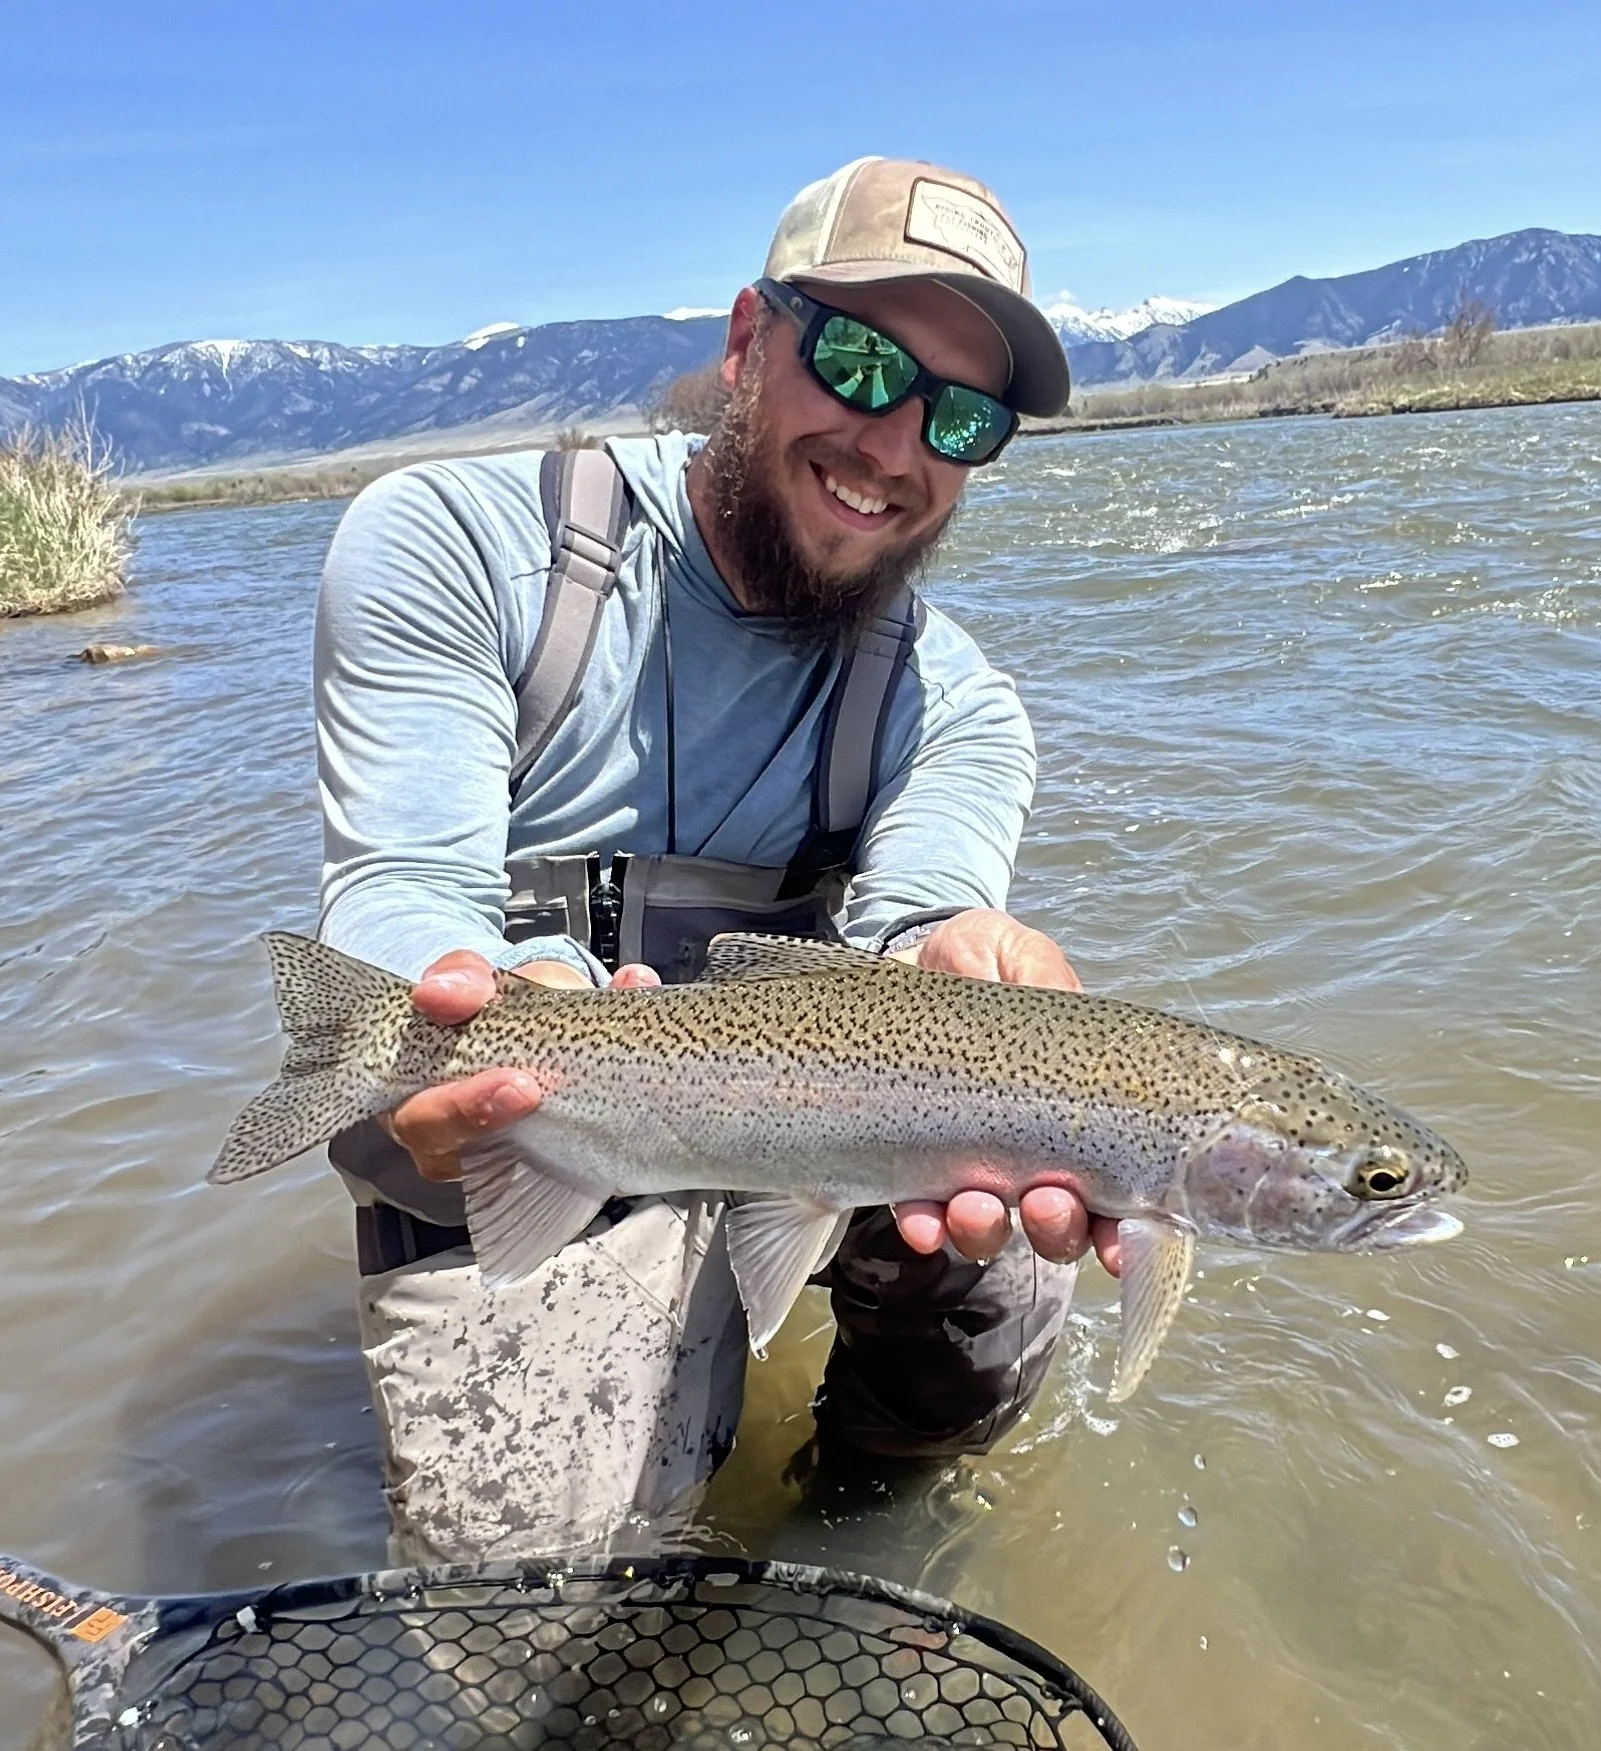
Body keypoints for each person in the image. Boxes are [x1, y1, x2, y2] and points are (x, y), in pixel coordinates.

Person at [314, 156, 1120, 1564]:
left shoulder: (963, 704)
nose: (895, 444)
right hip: (535, 1116)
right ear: (750, 342)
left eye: (964, 414)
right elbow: (404, 890)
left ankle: (858, 1530)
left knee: (1009, 1277)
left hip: (801, 1117)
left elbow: (928, 914)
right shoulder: (455, 542)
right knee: (540, 1599)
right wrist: (453, 1003)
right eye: (863, 363)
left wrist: (965, 962)